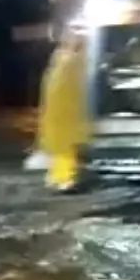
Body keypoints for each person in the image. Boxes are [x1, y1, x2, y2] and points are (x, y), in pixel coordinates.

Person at [36, 31, 89, 192]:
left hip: (64, 110)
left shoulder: (67, 59)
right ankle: (61, 176)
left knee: (64, 146)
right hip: (62, 110)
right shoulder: (67, 58)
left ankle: (62, 176)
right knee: (62, 146)